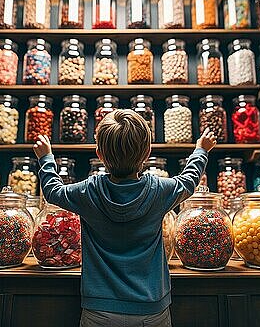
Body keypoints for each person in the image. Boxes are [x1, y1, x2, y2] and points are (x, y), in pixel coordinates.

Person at [33, 109, 217, 327]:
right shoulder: (160, 190)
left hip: (99, 310)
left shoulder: (88, 192)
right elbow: (189, 181)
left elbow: (53, 191)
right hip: (151, 308)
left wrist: (46, 157)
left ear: (99, 154)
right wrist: (200, 151)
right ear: (147, 152)